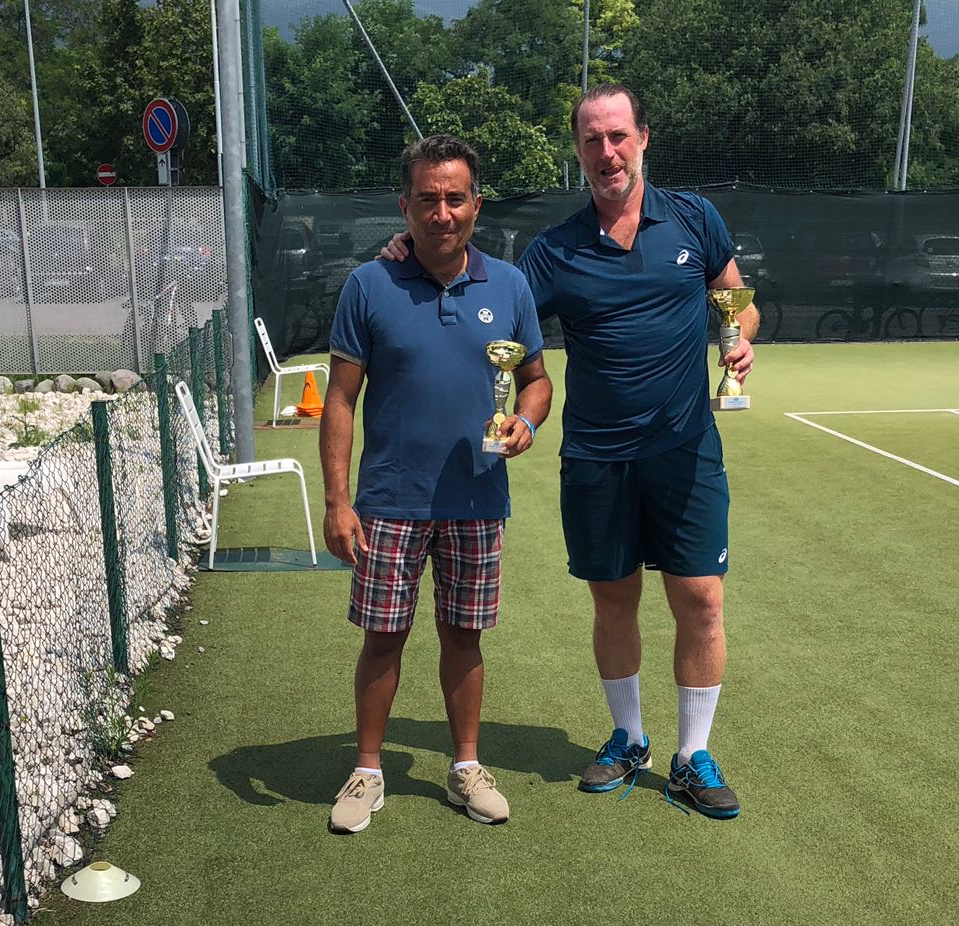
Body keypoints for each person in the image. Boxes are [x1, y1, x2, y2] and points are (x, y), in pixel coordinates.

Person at [384, 86, 758, 819]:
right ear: (579, 150)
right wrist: (412, 248)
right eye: (593, 140)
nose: (607, 152)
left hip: (686, 452)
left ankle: (692, 754)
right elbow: (492, 304)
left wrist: (740, 338)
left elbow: (736, 299)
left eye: (618, 136)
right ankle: (628, 737)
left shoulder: (694, 219)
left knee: (701, 602)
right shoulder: (552, 251)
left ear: (644, 137)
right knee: (613, 602)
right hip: (595, 458)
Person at [321, 133, 552, 835]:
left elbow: (537, 383)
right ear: (406, 204)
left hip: (478, 500)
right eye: (428, 199)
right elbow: (338, 400)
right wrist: (337, 501)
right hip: (390, 500)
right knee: (383, 638)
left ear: (476, 205)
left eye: (456, 198)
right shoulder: (369, 284)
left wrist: (527, 426)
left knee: (464, 637)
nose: (442, 212)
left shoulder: (510, 286)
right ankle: (367, 771)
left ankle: (465, 768)